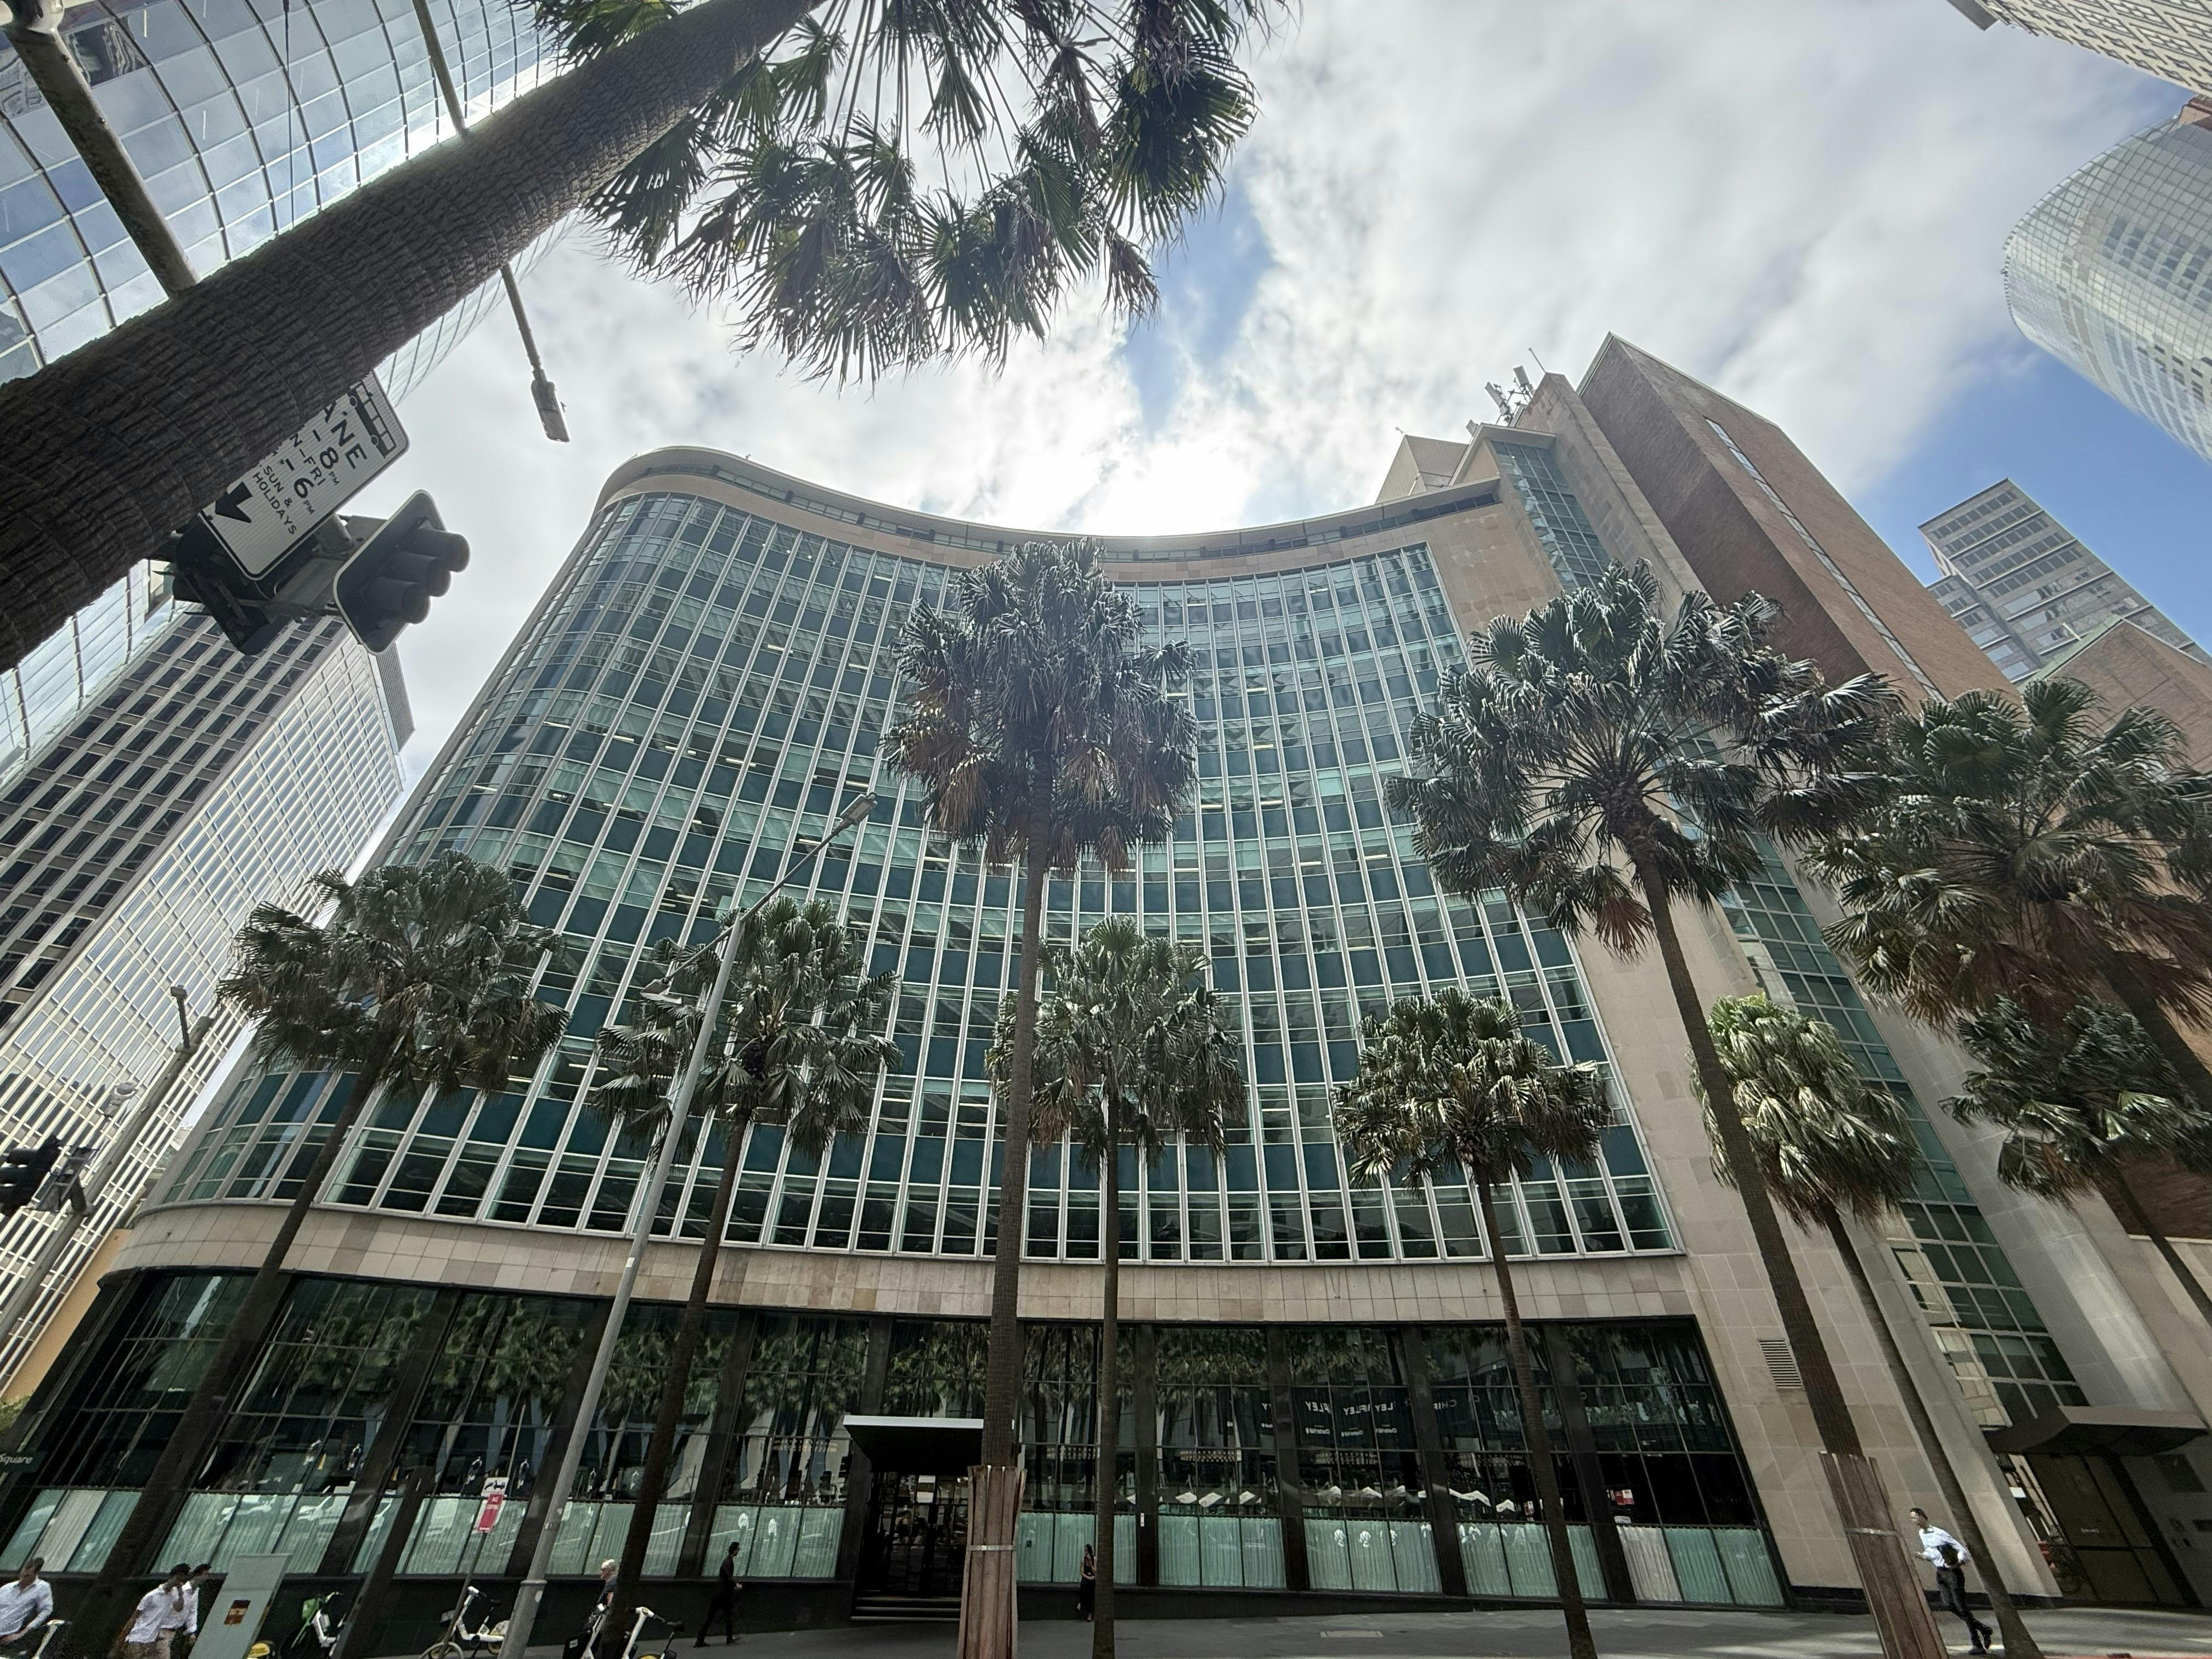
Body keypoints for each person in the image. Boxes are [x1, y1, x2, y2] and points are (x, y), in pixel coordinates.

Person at [1911, 1510, 1996, 1656]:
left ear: (1923, 1517)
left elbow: (1960, 1549)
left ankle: (1977, 1643)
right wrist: (1923, 1555)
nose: (1913, 1521)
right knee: (1948, 1604)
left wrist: (1958, 1561)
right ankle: (1983, 1629)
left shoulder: (1939, 1533)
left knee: (1962, 1608)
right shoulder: (1922, 1534)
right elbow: (1933, 1553)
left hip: (1952, 1573)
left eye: (1914, 1518)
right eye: (1912, 1519)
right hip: (1941, 1573)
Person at [125, 1566, 194, 1659]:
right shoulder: (152, 1596)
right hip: (138, 1637)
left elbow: (179, 1608)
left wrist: (181, 1592)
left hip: (152, 1639)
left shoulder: (173, 1595)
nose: (180, 1582)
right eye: (179, 1579)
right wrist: (126, 1636)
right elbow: (136, 1615)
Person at [0, 1559, 52, 1651]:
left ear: (36, 1574)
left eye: (27, 1576)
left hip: (7, 1637)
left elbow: (46, 1611)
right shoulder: (7, 1588)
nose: (23, 1579)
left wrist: (24, 1632)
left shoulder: (42, 1588)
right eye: (22, 1575)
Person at [696, 1543, 741, 1647]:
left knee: (716, 1616)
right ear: (734, 1550)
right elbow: (728, 1575)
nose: (739, 1551)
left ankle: (701, 1639)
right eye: (738, 1549)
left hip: (720, 1594)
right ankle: (728, 1638)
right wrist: (736, 1584)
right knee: (724, 1615)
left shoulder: (727, 1561)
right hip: (723, 1595)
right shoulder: (728, 1562)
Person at [1076, 1543, 1096, 1622]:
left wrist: (1090, 1562)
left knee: (1089, 1590)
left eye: (1087, 1550)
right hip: (1086, 1579)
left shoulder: (1094, 1559)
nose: (1086, 1552)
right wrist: (1088, 1577)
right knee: (1085, 1585)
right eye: (1085, 1551)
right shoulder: (1083, 1560)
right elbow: (1082, 1573)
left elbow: (1095, 1571)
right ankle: (1082, 1603)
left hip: (1092, 1579)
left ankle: (1082, 1604)